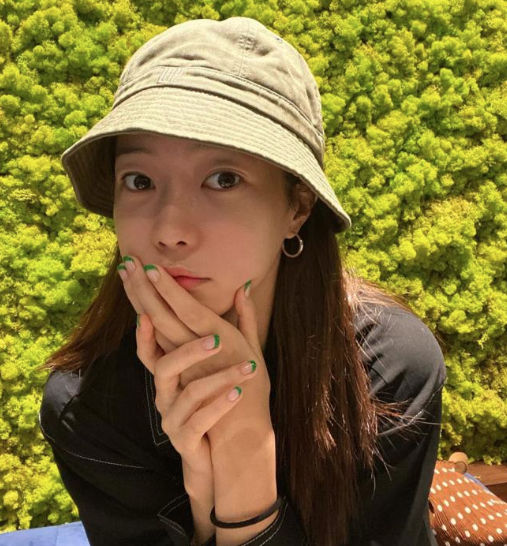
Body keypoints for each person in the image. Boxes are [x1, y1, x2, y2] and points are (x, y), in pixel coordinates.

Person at [38, 16, 447, 546]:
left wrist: (243, 459)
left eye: (223, 178)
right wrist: (205, 514)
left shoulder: (385, 369)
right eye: (139, 181)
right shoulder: (88, 406)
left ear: (297, 207)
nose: (169, 230)